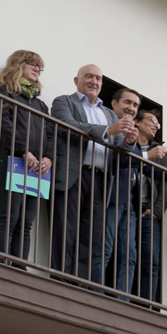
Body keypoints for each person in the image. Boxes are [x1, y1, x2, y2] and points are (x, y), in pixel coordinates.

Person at [49, 64, 137, 286]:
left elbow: (119, 145)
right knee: (66, 232)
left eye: (98, 78)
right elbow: (67, 126)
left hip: (101, 179)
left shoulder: (107, 112)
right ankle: (60, 283)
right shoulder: (63, 101)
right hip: (73, 174)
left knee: (91, 237)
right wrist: (107, 131)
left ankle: (80, 287)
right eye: (89, 76)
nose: (94, 81)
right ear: (76, 80)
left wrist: (129, 141)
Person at [0, 50, 55, 268]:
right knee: (9, 216)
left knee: (26, 223)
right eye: (32, 64)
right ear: (18, 64)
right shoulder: (2, 92)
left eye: (39, 67)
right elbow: (3, 125)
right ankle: (1, 265)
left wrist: (49, 158)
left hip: (37, 169)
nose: (37, 69)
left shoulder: (40, 105)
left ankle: (19, 268)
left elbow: (51, 134)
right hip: (13, 161)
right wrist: (24, 151)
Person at [132, 108, 167, 304]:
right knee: (125, 256)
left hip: (149, 213)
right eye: (153, 120)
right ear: (137, 122)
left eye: (159, 123)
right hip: (128, 209)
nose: (157, 125)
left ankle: (144, 306)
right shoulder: (128, 142)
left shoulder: (160, 151)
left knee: (151, 262)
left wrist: (156, 211)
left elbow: (166, 182)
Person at [105, 87, 142, 296]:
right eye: (127, 102)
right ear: (114, 104)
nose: (131, 108)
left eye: (135, 105)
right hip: (109, 195)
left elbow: (137, 163)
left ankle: (122, 299)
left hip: (128, 199)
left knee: (129, 254)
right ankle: (96, 294)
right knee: (106, 248)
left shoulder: (132, 131)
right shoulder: (106, 121)